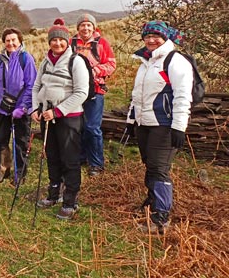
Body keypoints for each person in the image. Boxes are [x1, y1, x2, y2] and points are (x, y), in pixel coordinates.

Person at [126, 20, 193, 233]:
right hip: (144, 123)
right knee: (150, 164)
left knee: (159, 169)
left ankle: (161, 217)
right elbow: (137, 95)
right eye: (147, 37)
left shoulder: (175, 61)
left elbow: (183, 96)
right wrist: (130, 120)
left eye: (156, 36)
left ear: (165, 38)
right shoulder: (146, 62)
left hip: (164, 125)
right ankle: (152, 202)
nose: (151, 40)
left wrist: (179, 127)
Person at [31, 19, 89, 220]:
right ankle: (53, 194)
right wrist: (35, 108)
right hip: (46, 117)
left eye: (61, 40)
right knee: (52, 156)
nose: (57, 44)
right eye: (53, 40)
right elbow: (36, 87)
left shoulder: (76, 61)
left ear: (67, 42)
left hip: (69, 118)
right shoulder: (45, 62)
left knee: (70, 159)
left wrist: (58, 111)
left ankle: (70, 201)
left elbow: (82, 92)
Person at [0, 28, 37, 185]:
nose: (11, 43)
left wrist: (24, 107)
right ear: (4, 42)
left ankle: (20, 174)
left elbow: (31, 85)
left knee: (20, 142)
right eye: (7, 40)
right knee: (0, 140)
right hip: (2, 108)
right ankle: (2, 170)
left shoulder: (26, 59)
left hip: (20, 109)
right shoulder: (0, 59)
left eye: (14, 40)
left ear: (20, 41)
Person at [71, 14, 116, 176]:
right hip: (75, 90)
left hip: (96, 89)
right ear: (78, 28)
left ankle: (96, 163)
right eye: (82, 25)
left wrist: (94, 71)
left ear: (93, 27)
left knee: (92, 127)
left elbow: (111, 64)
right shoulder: (71, 43)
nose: (85, 28)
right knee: (79, 125)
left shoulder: (102, 43)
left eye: (89, 25)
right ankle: (81, 157)